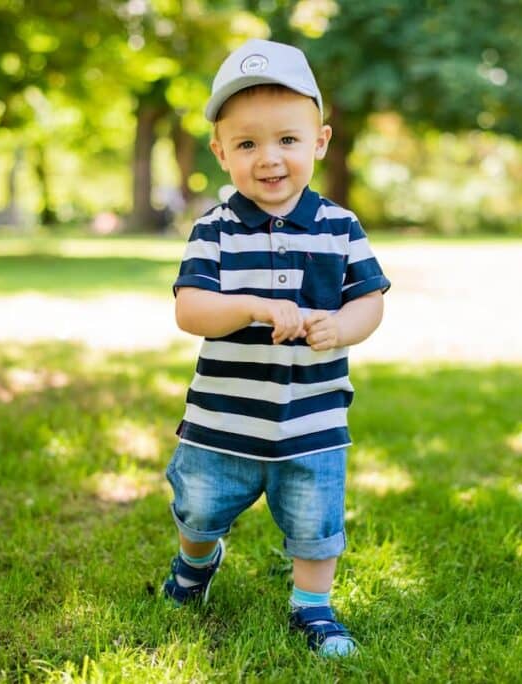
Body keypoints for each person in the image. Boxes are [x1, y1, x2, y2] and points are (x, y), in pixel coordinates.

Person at [162, 38, 390, 658]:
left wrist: (342, 327)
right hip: (222, 423)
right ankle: (195, 565)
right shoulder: (214, 229)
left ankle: (313, 606)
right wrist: (255, 309)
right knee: (200, 509)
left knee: (316, 524)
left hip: (311, 421)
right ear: (220, 151)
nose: (269, 159)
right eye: (247, 144)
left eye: (287, 140)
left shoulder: (340, 227)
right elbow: (190, 309)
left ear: (319, 141)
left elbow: (370, 300)